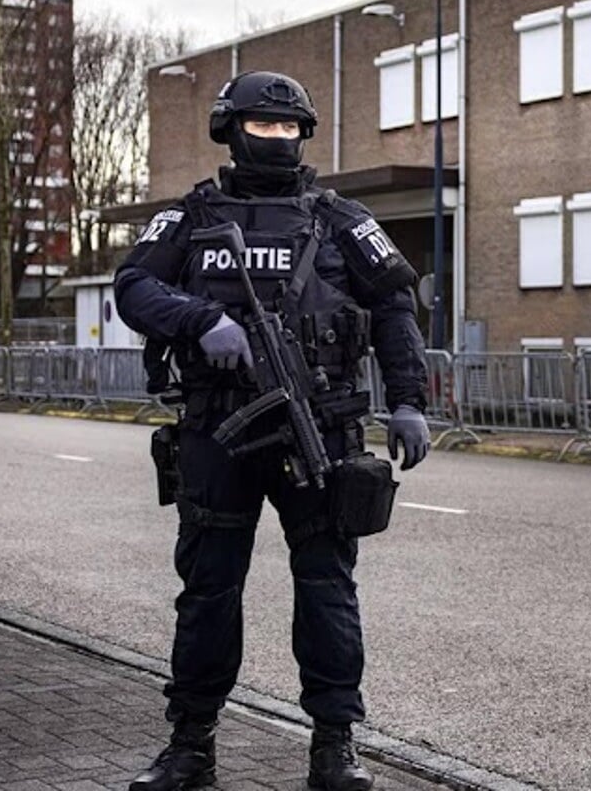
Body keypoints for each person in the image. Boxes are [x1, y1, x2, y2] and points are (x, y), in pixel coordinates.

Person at [115, 71, 432, 791]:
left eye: (290, 129)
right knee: (208, 591)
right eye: (264, 126)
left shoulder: (340, 218)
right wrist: (203, 320)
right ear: (230, 130)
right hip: (216, 430)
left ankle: (334, 746)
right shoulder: (190, 218)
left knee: (326, 589)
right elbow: (133, 286)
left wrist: (409, 400)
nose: (279, 139)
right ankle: (191, 746)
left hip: (318, 429)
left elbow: (394, 305)